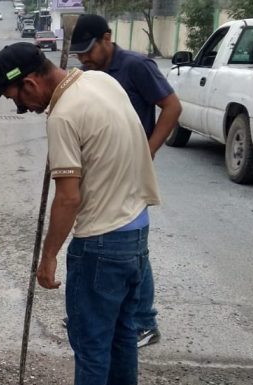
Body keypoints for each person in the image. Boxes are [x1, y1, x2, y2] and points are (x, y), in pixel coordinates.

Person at [0, 42, 161, 385]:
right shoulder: (100, 81)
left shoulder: (63, 116)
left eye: (17, 99)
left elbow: (68, 196)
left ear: (30, 82)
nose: (22, 108)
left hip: (100, 242)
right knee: (122, 330)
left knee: (91, 339)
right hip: (136, 231)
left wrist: (47, 259)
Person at [69, 14, 181, 348]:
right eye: (79, 54)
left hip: (129, 172)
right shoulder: (88, 73)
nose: (85, 59)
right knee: (116, 245)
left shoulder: (135, 65)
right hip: (100, 173)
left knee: (132, 247)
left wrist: (147, 152)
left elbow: (172, 107)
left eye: (89, 50)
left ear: (107, 38)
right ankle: (105, 311)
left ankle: (143, 321)